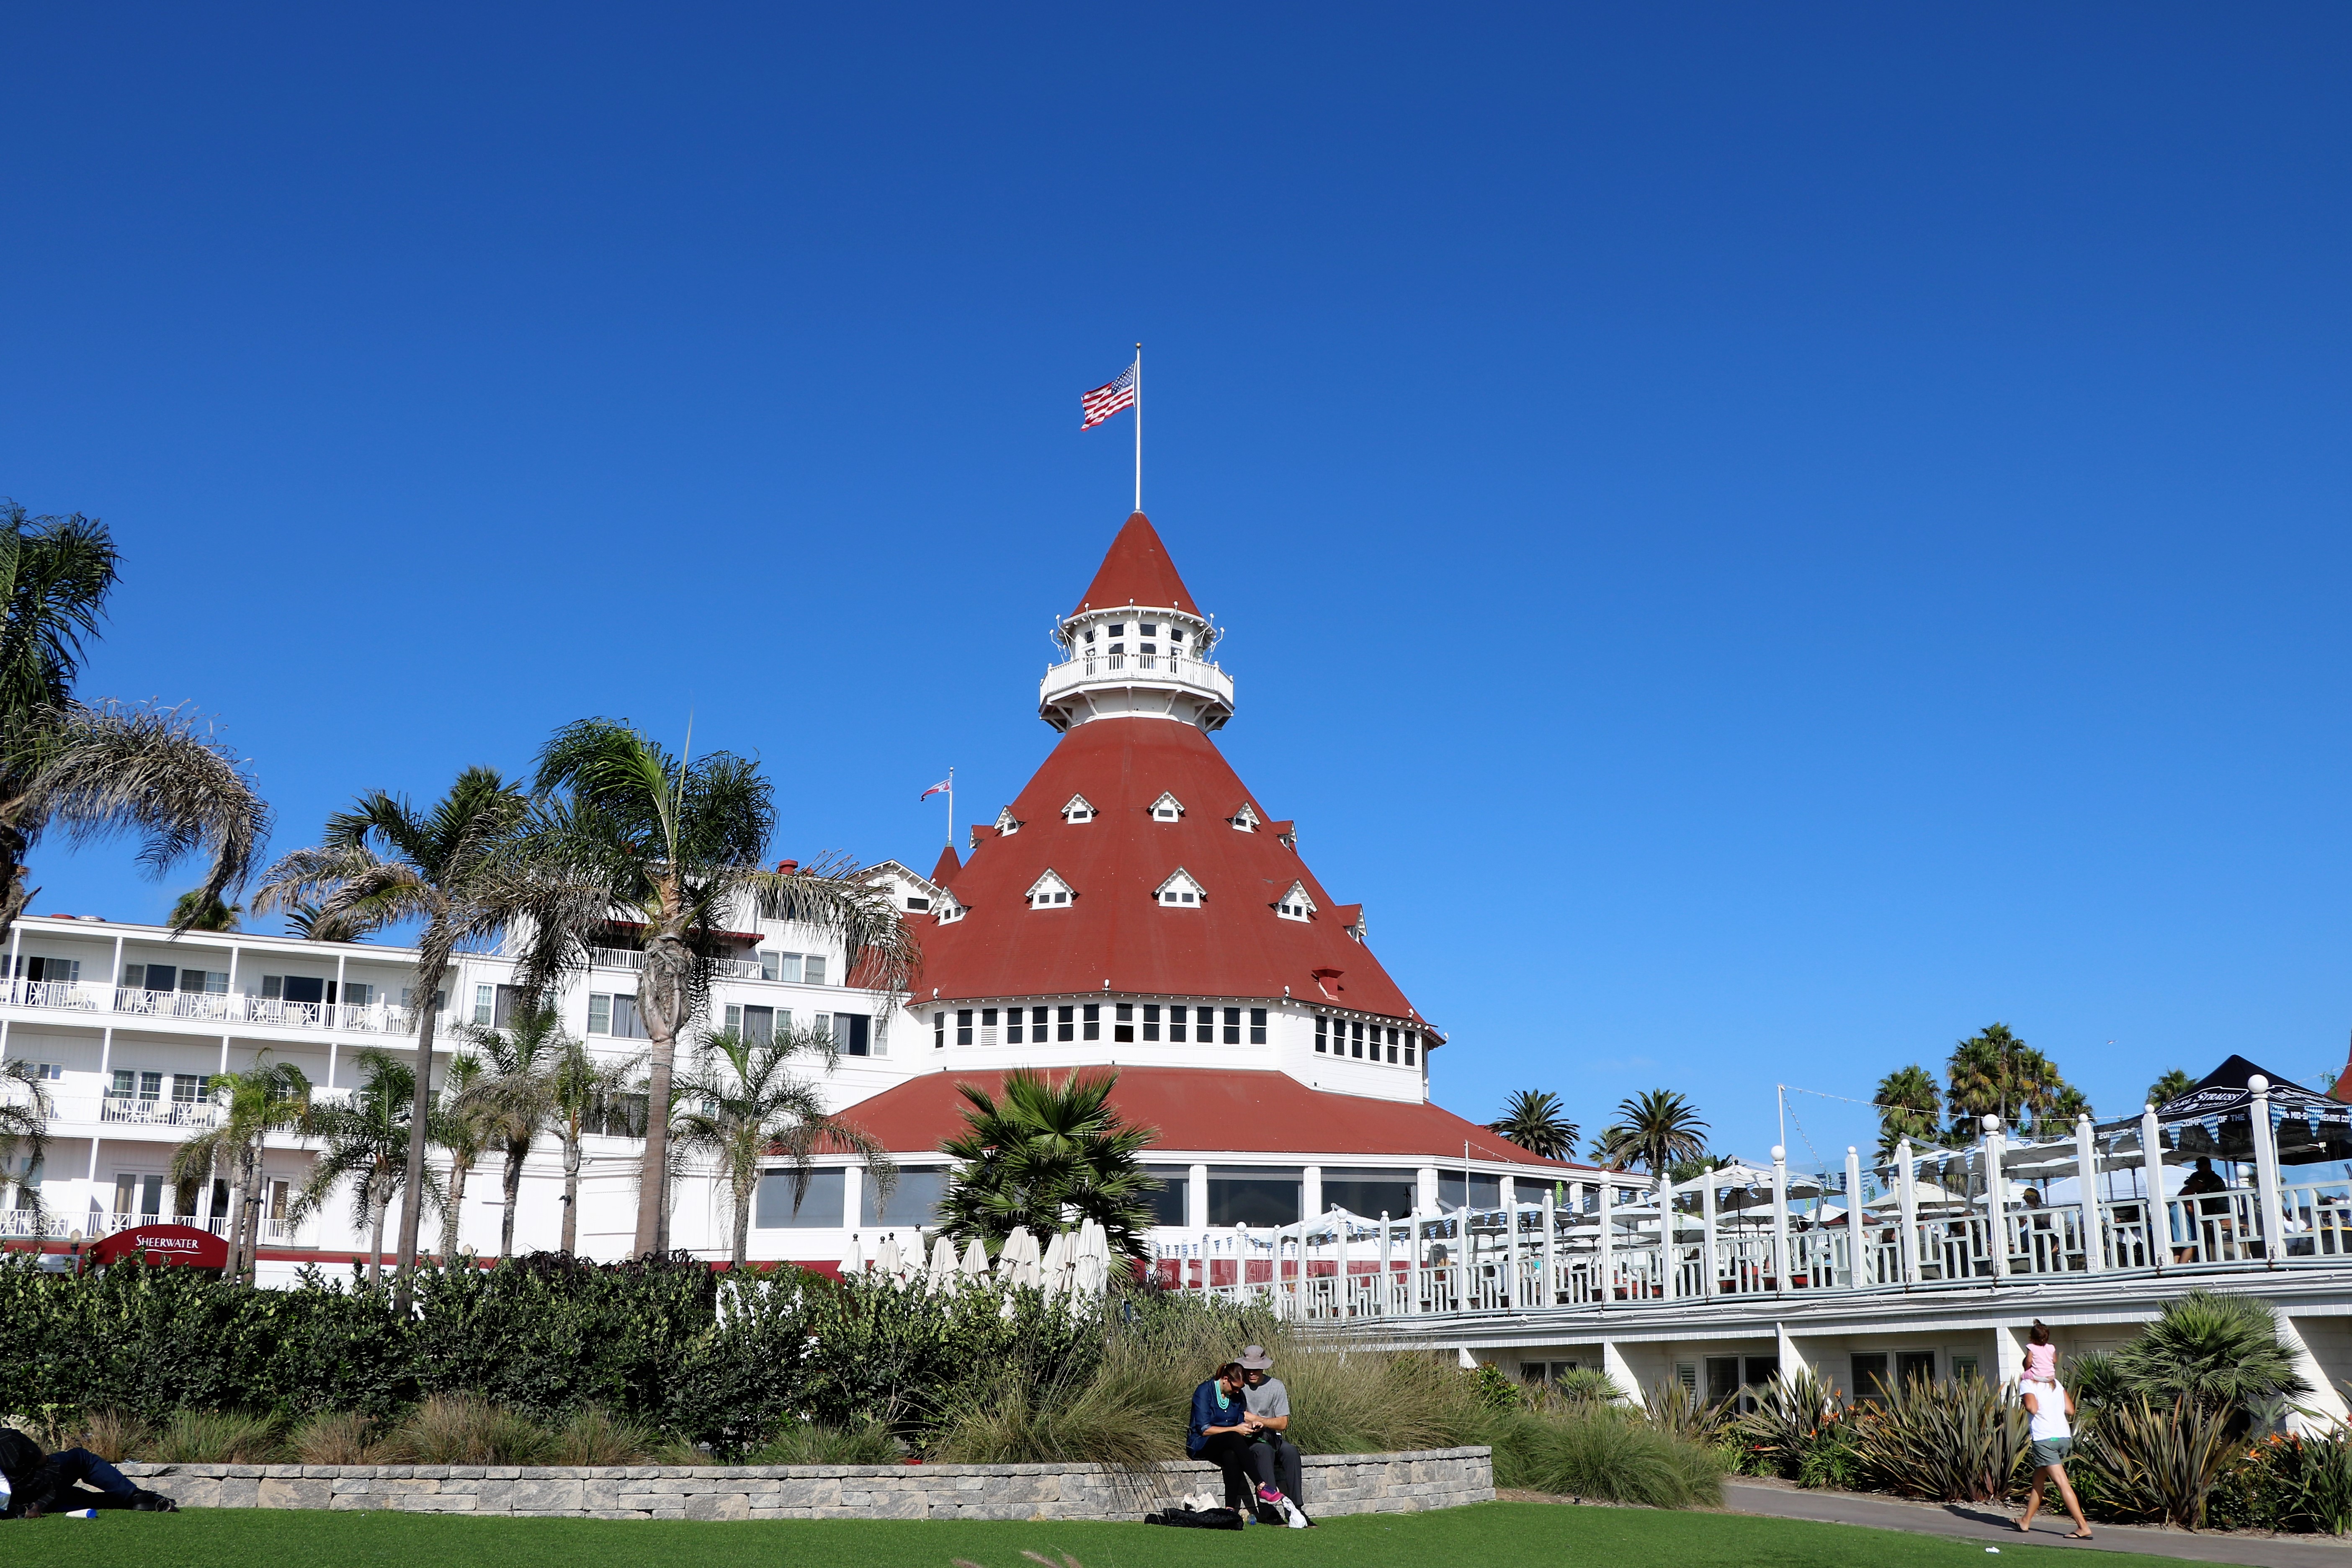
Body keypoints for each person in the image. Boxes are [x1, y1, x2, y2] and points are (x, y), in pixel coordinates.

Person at [0, 1428, 176, 1519]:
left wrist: (18, 1511)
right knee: (82, 1458)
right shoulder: (8, 1438)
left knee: (81, 1498)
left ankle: (135, 1501)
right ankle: (136, 1496)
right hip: (42, 1485)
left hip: (20, 1503)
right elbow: (42, 1461)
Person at [1187, 1361, 1273, 1508]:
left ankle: (1230, 1510)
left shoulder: (1237, 1396)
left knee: (1231, 1455)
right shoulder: (1204, 1391)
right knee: (1233, 1436)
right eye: (1235, 1388)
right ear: (1225, 1380)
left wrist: (1251, 1426)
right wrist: (1235, 1430)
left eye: (1240, 1388)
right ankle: (1260, 1484)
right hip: (1202, 1443)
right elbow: (1204, 1429)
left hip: (1229, 1443)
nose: (1238, 1392)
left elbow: (1239, 1423)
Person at [1238, 1344, 1310, 1520]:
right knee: (1264, 1451)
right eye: (1248, 1369)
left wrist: (1258, 1420)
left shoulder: (1276, 1387)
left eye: (1256, 1369)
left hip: (1272, 1437)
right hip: (1249, 1439)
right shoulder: (1239, 1386)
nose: (1252, 1373)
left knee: (1291, 1452)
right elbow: (1236, 1415)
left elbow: (1283, 1423)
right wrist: (1250, 1422)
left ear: (1263, 1367)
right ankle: (1268, 1509)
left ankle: (1297, 1508)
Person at [2015, 1374, 2090, 1540]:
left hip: (2045, 1439)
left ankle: (2083, 1527)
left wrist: (2026, 1401)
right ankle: (2025, 1521)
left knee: (2062, 1483)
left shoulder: (2027, 1383)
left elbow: (2032, 1408)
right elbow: (2070, 1410)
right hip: (2062, 1438)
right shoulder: (2055, 1382)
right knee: (2038, 1481)